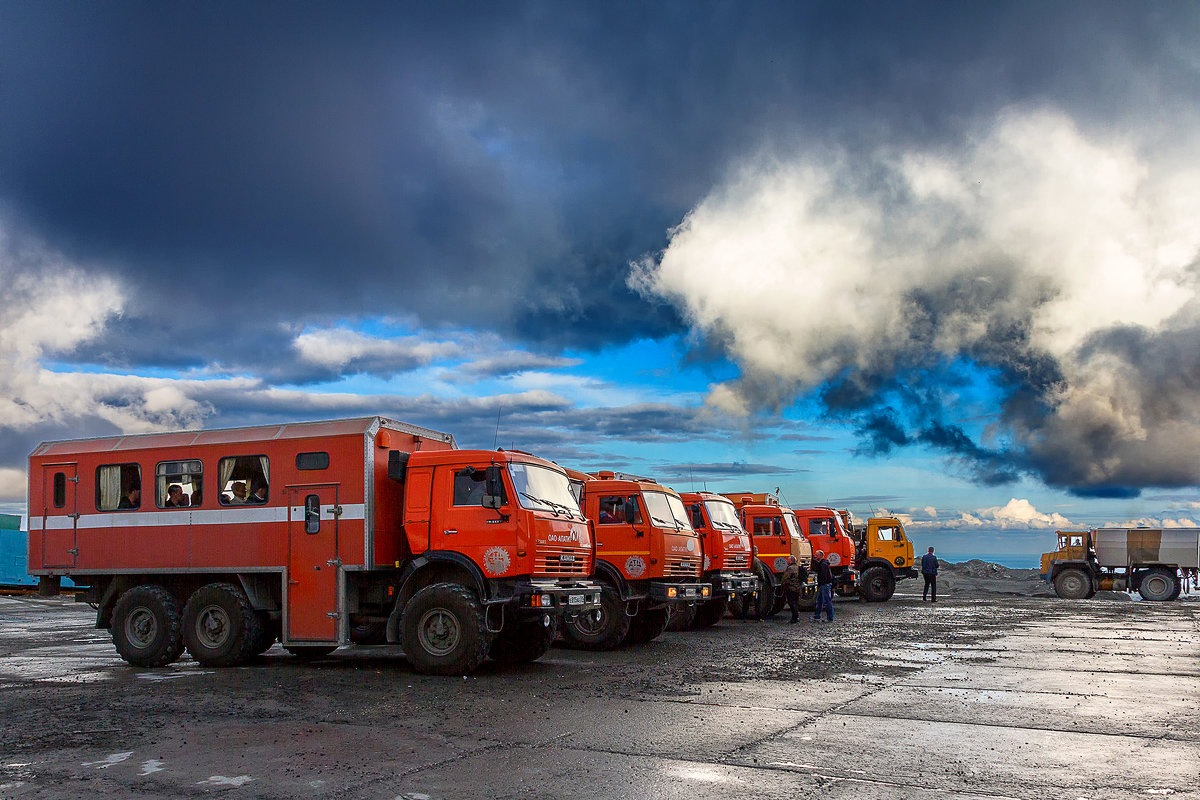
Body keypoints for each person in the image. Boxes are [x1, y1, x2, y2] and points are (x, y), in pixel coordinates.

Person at [811, 549, 834, 622]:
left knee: (826, 601)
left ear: (820, 556)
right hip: (823, 585)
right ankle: (817, 616)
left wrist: (821, 583)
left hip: (824, 585)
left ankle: (829, 618)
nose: (815, 556)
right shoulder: (823, 563)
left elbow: (823, 575)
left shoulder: (823, 564)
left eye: (816, 555)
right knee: (819, 601)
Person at [781, 555, 805, 623]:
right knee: (795, 603)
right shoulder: (797, 567)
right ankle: (796, 617)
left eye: (788, 560)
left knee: (791, 603)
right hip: (798, 588)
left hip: (791, 588)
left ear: (791, 561)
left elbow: (785, 578)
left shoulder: (790, 568)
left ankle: (794, 617)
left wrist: (783, 586)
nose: (787, 561)